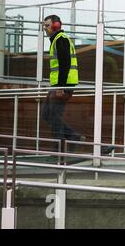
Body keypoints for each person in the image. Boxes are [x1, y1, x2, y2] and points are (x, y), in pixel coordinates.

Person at [41, 15, 113, 154]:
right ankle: (73, 136)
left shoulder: (61, 40)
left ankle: (59, 150)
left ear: (56, 25)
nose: (45, 28)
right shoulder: (57, 40)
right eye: (44, 25)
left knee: (54, 116)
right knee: (47, 114)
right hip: (58, 84)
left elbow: (65, 63)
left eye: (47, 25)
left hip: (63, 85)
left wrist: (61, 86)